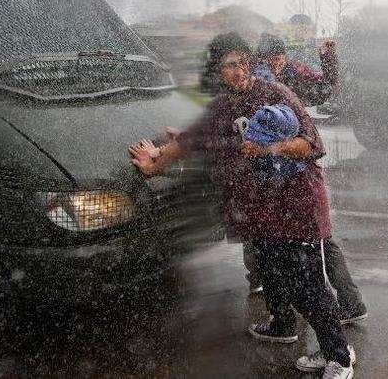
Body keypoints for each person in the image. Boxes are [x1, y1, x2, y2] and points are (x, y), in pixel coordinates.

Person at [129, 32, 355, 378]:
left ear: (251, 63)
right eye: (229, 66)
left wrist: (267, 149)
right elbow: (192, 139)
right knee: (280, 277)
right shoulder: (222, 106)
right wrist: (156, 160)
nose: (238, 71)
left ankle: (339, 356)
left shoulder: (276, 94)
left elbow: (311, 145)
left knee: (309, 283)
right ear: (219, 71)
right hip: (264, 210)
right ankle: (285, 328)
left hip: (299, 205)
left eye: (242, 62)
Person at [244, 32, 368, 325]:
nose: (274, 64)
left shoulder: (287, 78)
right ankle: (269, 288)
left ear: (283, 58)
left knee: (315, 240)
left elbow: (325, 89)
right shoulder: (262, 81)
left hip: (295, 173)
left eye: (277, 58)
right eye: (268, 60)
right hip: (279, 175)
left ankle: (340, 309)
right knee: (274, 236)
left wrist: (329, 58)